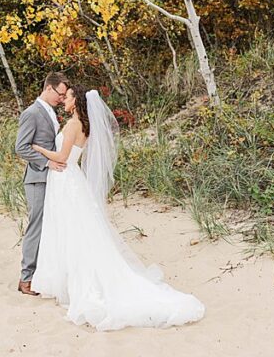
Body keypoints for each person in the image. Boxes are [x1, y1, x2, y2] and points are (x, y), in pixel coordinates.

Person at [30, 85, 205, 331]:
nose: (63, 100)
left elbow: (61, 157)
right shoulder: (85, 127)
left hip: (66, 179)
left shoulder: (72, 125)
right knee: (77, 230)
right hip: (70, 180)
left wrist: (38, 149)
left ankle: (81, 283)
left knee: (72, 231)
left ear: (76, 102)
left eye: (67, 97)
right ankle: (71, 280)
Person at [15, 72, 71, 296]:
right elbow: (21, 147)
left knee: (51, 226)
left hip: (53, 179)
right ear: (49, 88)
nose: (62, 98)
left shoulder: (51, 113)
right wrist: (47, 162)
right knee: (36, 226)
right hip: (37, 178)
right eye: (60, 93)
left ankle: (44, 274)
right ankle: (25, 278)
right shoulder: (32, 113)